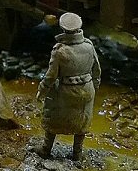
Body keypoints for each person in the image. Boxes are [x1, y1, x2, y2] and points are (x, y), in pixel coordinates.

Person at [35, 12, 101, 161]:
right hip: (86, 88)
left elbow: (51, 76)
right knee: (82, 120)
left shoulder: (59, 50)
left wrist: (42, 90)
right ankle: (77, 153)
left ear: (63, 29)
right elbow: (97, 69)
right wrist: (95, 86)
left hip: (65, 90)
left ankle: (46, 149)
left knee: (53, 116)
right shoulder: (89, 46)